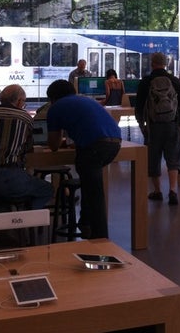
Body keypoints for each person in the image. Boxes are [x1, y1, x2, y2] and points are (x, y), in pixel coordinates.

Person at [46, 79, 121, 239]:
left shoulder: (55, 108)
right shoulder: (86, 100)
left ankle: (101, 238)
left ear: (52, 98)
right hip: (115, 144)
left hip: (94, 147)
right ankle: (86, 225)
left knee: (95, 193)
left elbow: (53, 145)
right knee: (89, 185)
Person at [0, 84, 53, 209]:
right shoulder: (24, 117)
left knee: (0, 199)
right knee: (47, 189)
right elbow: (28, 148)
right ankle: (27, 220)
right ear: (19, 101)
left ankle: (2, 222)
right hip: (13, 179)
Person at [135, 52, 180, 206]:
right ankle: (173, 190)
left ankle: (157, 191)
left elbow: (139, 105)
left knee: (153, 157)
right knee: (173, 158)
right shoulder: (174, 80)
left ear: (152, 63)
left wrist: (141, 124)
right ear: (165, 64)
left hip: (153, 126)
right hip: (172, 124)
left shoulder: (146, 81)